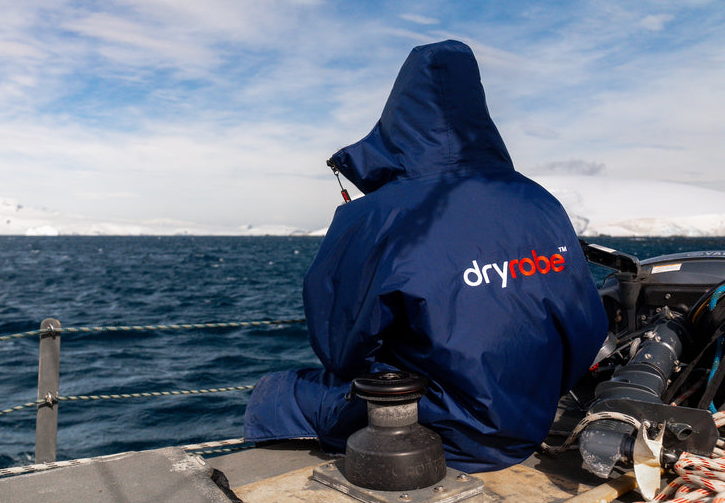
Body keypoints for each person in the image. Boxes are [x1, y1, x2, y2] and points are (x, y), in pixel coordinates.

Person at [243, 40, 608, 473]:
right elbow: (588, 327)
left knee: (275, 395)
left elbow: (340, 353)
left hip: (433, 431)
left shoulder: (376, 216)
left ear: (399, 113)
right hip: (532, 420)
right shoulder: (539, 201)